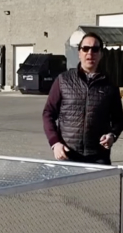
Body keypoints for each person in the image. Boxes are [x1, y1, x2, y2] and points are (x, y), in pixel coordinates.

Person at [42, 32, 123, 165]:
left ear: (101, 54)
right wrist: (55, 143)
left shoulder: (110, 84)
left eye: (95, 49)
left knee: (101, 187)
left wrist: (112, 136)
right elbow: (48, 114)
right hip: (68, 154)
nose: (90, 53)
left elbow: (118, 119)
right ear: (79, 53)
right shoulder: (63, 80)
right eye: (85, 49)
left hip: (99, 156)